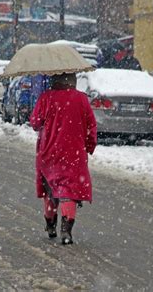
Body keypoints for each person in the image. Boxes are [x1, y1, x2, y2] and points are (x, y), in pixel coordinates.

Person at [30, 73, 97, 245]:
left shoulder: (46, 97)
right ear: (73, 80)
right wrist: (90, 145)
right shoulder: (81, 99)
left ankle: (50, 224)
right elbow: (91, 126)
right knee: (69, 192)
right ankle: (66, 230)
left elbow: (35, 122)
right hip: (74, 153)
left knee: (50, 191)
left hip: (49, 151)